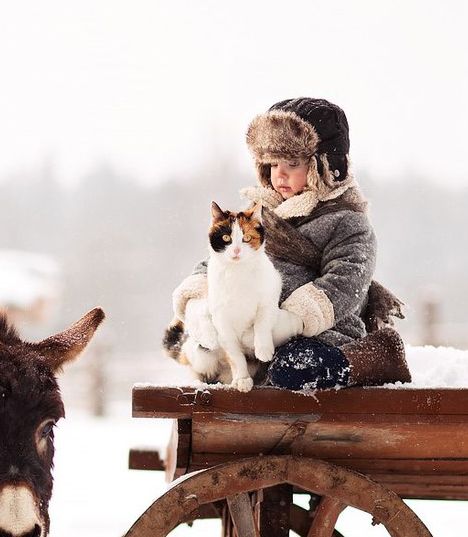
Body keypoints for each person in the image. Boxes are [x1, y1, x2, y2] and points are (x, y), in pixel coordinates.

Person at [171, 97, 410, 389]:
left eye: (292, 164)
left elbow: (347, 278)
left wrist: (290, 321)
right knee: (194, 344)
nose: (279, 174)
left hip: (321, 333)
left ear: (323, 167)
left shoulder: (347, 222)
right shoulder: (261, 212)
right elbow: (220, 259)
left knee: (292, 368)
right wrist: (199, 302)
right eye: (272, 164)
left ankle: (374, 357)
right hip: (255, 328)